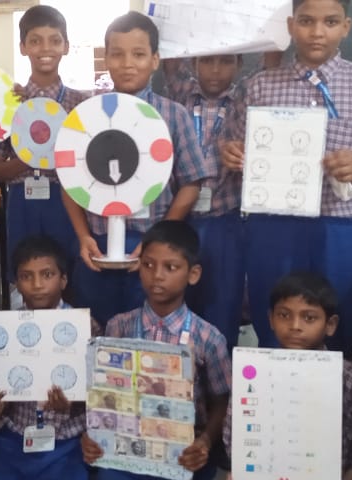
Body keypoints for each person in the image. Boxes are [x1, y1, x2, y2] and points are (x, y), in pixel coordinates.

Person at [220, 0, 352, 353]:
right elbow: (232, 143)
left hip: (341, 225)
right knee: (273, 317)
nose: (317, 32)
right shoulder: (260, 85)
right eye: (306, 21)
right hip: (273, 223)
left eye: (330, 22)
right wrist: (231, 152)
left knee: (337, 317)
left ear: (346, 27)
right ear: (291, 25)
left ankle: (334, 384)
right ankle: (272, 382)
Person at [63, 12, 214, 326]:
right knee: (97, 327)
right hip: (97, 243)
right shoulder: (86, 115)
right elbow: (68, 181)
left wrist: (158, 238)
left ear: (155, 60)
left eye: (139, 54)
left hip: (152, 248)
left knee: (148, 331)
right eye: (117, 54)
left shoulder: (174, 115)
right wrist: (82, 237)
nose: (127, 63)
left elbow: (191, 183)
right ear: (106, 58)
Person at [82, 220, 231, 480]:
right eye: (148, 265)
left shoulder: (208, 338)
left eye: (170, 267)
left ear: (193, 274)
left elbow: (221, 400)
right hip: (125, 452)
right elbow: (103, 394)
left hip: (182, 455)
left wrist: (205, 441)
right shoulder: (118, 327)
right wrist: (93, 434)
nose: (157, 275)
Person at [222, 272, 352, 480]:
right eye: (284, 315)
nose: (295, 326)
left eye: (309, 318)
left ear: (330, 325)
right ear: (270, 319)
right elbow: (234, 436)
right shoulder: (253, 374)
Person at [0, 6, 91, 282]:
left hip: (68, 200)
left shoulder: (80, 104)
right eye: (35, 40)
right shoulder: (9, 103)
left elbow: (90, 166)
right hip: (22, 200)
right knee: (29, 278)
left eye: (54, 40)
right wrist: (33, 156)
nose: (45, 48)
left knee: (69, 274)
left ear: (66, 46)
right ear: (23, 47)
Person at [0, 234, 89, 479]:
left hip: (66, 441)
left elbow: (101, 399)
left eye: (47, 275)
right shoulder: (2, 331)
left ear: (63, 279)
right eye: (26, 276)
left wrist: (75, 404)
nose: (37, 284)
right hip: (14, 438)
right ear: (16, 283)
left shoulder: (87, 329)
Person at [176, 54, 248, 352]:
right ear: (193, 63)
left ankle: (220, 370)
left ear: (240, 64)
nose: (215, 70)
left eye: (226, 62)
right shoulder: (179, 95)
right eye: (206, 61)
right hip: (181, 218)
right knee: (178, 297)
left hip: (225, 220)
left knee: (222, 301)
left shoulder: (246, 100)